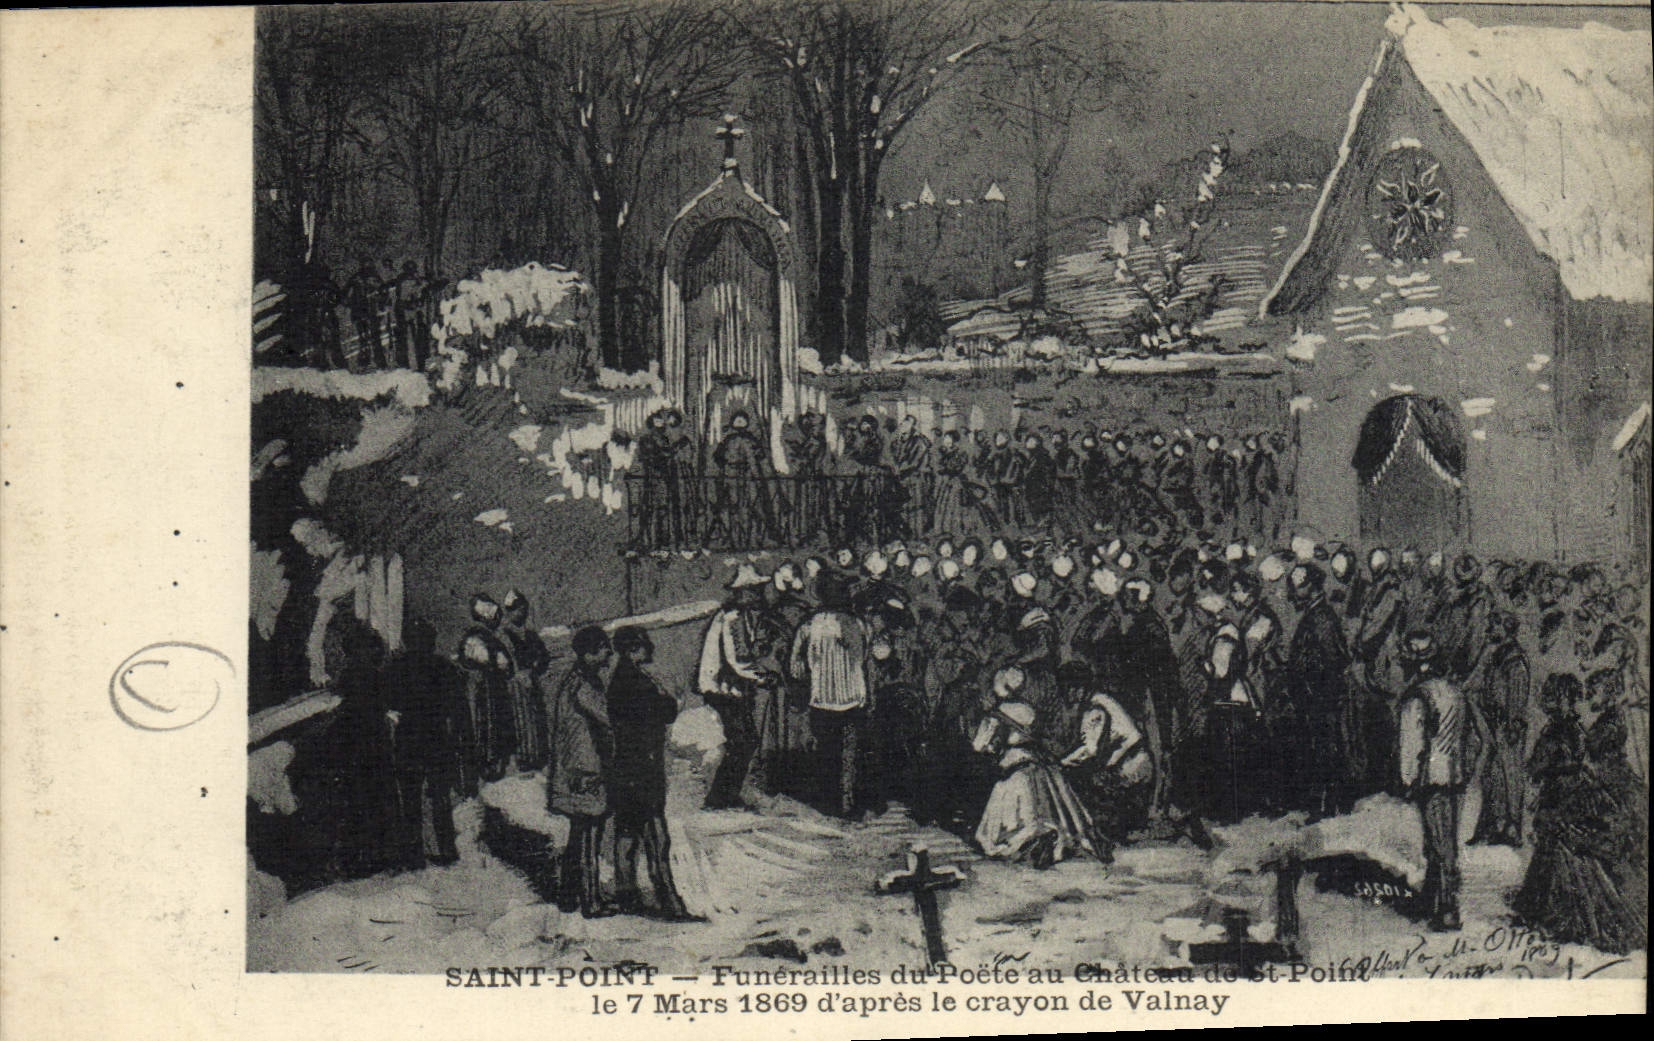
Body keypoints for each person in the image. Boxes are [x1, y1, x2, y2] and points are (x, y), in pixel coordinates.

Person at [1513, 673, 1648, 953]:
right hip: (1579, 792)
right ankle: (1545, 906)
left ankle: (1557, 911)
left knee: (1559, 848)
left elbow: (1540, 765)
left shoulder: (1561, 731)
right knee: (1554, 852)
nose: (1545, 703)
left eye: (1552, 698)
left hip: (1575, 794)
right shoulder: (1577, 728)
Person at [605, 626, 696, 920]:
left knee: (627, 831)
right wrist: (674, 700)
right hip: (643, 766)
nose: (651, 649)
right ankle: (669, 900)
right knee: (656, 835)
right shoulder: (637, 682)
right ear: (633, 649)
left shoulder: (621, 680)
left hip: (625, 767)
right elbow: (665, 710)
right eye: (644, 645)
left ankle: (627, 893)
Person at [972, 666, 1101, 868]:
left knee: (1006, 823)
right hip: (1038, 764)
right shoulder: (1030, 711)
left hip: (1014, 765)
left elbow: (979, 745)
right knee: (1049, 809)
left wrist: (990, 748)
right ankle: (1050, 837)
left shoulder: (996, 714)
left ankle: (1027, 841)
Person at [1396, 631, 1474, 932]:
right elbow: (1467, 737)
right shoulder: (1454, 691)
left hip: (1431, 778)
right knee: (1443, 840)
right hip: (1453, 775)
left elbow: (1412, 743)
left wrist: (1408, 779)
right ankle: (1431, 900)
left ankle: (1447, 909)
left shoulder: (1417, 696)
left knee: (1441, 846)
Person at [547, 625, 619, 918]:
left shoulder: (575, 680)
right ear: (590, 651)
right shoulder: (584, 685)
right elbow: (607, 717)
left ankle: (568, 896)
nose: (609, 654)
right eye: (604, 648)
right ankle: (590, 902)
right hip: (584, 769)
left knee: (579, 834)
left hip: (576, 768)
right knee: (589, 835)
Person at [380, 619, 464, 868]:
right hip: (437, 737)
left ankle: (414, 855)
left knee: (411, 799)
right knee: (439, 798)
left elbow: (386, 701)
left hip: (409, 739)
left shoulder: (396, 667)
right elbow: (455, 704)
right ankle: (447, 849)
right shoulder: (444, 667)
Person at [790, 570, 870, 818]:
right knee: (848, 754)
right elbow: (863, 659)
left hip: (822, 697)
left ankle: (829, 803)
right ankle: (847, 803)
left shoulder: (809, 625)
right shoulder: (856, 624)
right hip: (852, 697)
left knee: (827, 752)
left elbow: (796, 665)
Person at [696, 565, 772, 809]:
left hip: (731, 687)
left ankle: (726, 794)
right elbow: (738, 659)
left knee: (744, 741)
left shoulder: (740, 616)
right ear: (743, 592)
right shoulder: (733, 618)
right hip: (724, 689)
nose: (760, 595)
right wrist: (762, 677)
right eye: (755, 590)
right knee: (743, 741)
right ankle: (719, 797)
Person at [1284, 563, 1355, 818]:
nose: (1294, 591)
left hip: (1321, 698)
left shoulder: (1322, 618)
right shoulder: (1314, 614)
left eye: (1299, 585)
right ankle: (1324, 805)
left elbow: (1333, 660)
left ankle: (1329, 806)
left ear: (1312, 586)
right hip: (1313, 697)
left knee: (1325, 750)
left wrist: (1315, 689)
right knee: (1319, 751)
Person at [1058, 659, 1149, 854]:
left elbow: (1089, 750)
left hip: (1129, 767)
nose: (1068, 694)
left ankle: (1096, 836)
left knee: (1073, 779)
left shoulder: (1094, 709)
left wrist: (1061, 762)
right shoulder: (1102, 699)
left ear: (1079, 687)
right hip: (1137, 761)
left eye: (1069, 688)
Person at [1470, 612, 1529, 845]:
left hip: (1508, 725)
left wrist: (1513, 723)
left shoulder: (1514, 660)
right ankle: (1493, 824)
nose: (1489, 630)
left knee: (1511, 776)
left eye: (1494, 626)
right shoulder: (1497, 655)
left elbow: (1517, 694)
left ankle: (1513, 828)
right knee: (1493, 775)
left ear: (1506, 630)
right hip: (1494, 722)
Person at [456, 594, 516, 784]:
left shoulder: (486, 638)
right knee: (484, 728)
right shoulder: (475, 638)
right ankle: (488, 766)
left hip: (491, 690)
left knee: (493, 726)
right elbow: (495, 663)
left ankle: (494, 765)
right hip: (482, 692)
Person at [500, 589, 549, 771]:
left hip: (531, 680)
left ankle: (537, 756)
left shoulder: (529, 634)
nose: (523, 614)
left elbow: (543, 656)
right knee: (522, 719)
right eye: (519, 610)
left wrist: (535, 668)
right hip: (516, 683)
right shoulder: (505, 635)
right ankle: (525, 758)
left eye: (525, 610)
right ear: (510, 612)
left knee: (535, 718)